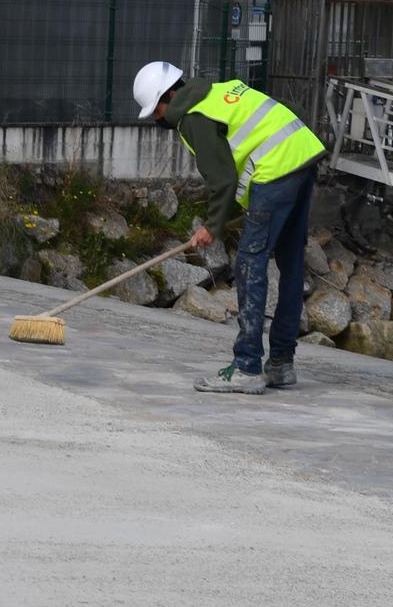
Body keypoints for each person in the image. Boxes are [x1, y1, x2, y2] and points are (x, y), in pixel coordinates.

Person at [135, 61, 326, 395]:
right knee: (292, 263)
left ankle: (247, 366)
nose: (155, 118)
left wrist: (211, 227)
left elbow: (222, 179)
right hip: (302, 155)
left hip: (276, 171)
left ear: (168, 97)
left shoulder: (193, 117)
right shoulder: (219, 91)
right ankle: (281, 363)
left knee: (250, 263)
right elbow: (287, 110)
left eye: (154, 110)